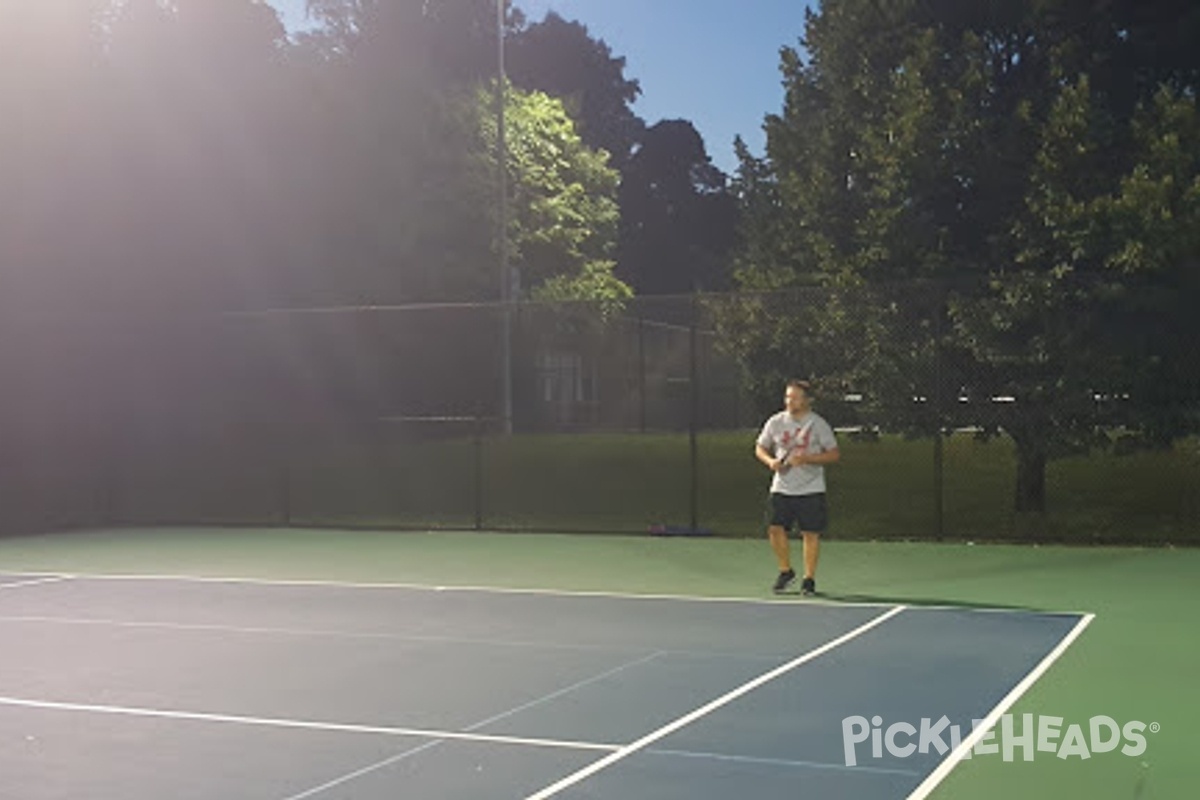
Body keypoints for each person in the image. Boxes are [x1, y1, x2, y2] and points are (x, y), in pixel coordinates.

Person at [754, 380, 840, 595]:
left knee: (810, 533)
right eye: (787, 397)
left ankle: (808, 579)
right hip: (781, 486)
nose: (789, 401)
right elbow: (760, 448)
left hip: (811, 487)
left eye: (794, 397)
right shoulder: (775, 422)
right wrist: (771, 462)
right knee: (774, 528)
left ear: (806, 400)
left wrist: (808, 459)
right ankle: (786, 571)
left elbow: (834, 454)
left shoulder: (818, 424)